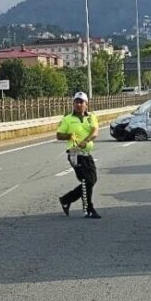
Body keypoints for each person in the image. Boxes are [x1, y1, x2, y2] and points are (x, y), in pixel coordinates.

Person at [57, 91, 101, 219]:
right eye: (76, 102)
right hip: (74, 153)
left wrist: (86, 141)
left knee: (92, 179)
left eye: (81, 102)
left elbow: (95, 132)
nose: (78, 104)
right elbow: (59, 135)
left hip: (86, 151)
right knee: (86, 180)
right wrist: (69, 135)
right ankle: (88, 209)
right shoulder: (67, 118)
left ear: (86, 104)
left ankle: (66, 199)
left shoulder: (91, 117)